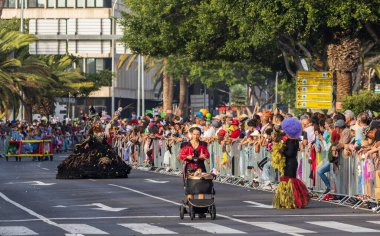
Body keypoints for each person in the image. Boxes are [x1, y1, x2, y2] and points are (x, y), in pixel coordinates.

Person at [272, 118, 310, 209]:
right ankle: (285, 200)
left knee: (289, 180)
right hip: (289, 162)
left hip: (290, 163)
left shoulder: (293, 142)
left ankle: (290, 200)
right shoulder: (293, 141)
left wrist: (281, 151)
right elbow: (276, 137)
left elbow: (289, 153)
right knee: (287, 180)